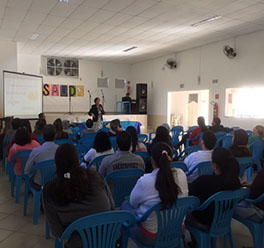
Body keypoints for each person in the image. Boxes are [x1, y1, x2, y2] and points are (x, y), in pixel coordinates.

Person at [42, 143, 114, 247]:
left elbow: (58, 232)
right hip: (107, 238)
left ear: (56, 165)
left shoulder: (49, 190)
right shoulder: (96, 177)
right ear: (78, 161)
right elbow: (111, 207)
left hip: (78, 244)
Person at [121, 142, 188, 246]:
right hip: (178, 231)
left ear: (152, 160)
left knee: (125, 205)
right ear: (170, 158)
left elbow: (133, 204)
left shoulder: (145, 181)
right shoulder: (181, 174)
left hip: (151, 236)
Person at [188, 148, 241, 226]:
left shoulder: (204, 181)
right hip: (223, 220)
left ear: (215, 165)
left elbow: (190, 197)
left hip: (203, 221)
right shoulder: (235, 182)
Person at [25, 125, 58, 190]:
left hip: (39, 184)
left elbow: (27, 170)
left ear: (42, 135)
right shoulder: (60, 150)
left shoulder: (36, 151)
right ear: (55, 135)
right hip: (56, 182)